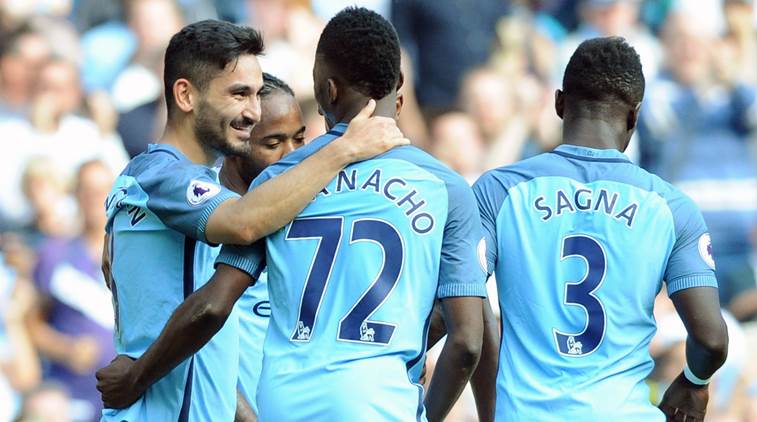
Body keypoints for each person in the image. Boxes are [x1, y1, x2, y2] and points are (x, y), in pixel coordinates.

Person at [99, 8, 485, 422]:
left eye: (254, 93)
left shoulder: (227, 187)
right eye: (238, 94)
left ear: (326, 93)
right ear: (186, 95)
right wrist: (343, 149)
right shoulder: (159, 174)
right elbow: (240, 227)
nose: (253, 112)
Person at [472, 37, 729, 421]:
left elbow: (464, 311)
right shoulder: (671, 207)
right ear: (634, 117)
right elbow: (711, 340)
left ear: (559, 103)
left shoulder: (499, 190)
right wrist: (693, 381)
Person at [218, 72, 306, 419]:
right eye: (274, 144)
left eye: (300, 140)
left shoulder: (318, 209)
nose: (293, 155)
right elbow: (194, 346)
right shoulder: (200, 217)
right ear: (236, 145)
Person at [28, 160, 116, 421]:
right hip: (69, 398)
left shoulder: (133, 256)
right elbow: (31, 322)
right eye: (87, 190)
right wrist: (65, 348)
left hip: (122, 397)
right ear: (76, 194)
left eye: (101, 191)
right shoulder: (53, 253)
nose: (94, 199)